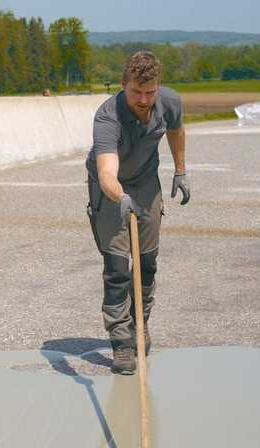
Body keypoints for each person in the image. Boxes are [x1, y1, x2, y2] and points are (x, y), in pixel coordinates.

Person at [84, 51, 190, 375]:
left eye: (150, 92)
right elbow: (106, 173)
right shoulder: (107, 117)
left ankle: (139, 327)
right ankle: (121, 343)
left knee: (146, 263)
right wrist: (120, 197)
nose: (143, 99)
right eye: (136, 92)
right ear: (123, 85)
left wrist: (180, 171)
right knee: (117, 267)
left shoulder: (169, 102)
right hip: (110, 188)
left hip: (146, 182)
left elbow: (176, 130)